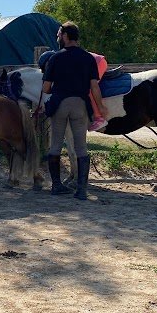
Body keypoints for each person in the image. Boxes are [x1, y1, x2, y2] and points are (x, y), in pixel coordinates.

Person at [42, 21, 108, 199]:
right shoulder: (88, 58)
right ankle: (82, 190)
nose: (58, 38)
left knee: (55, 144)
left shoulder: (55, 58)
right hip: (80, 105)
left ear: (64, 36)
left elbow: (45, 88)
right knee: (81, 147)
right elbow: (94, 87)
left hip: (60, 105)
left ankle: (56, 186)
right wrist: (101, 108)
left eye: (59, 35)